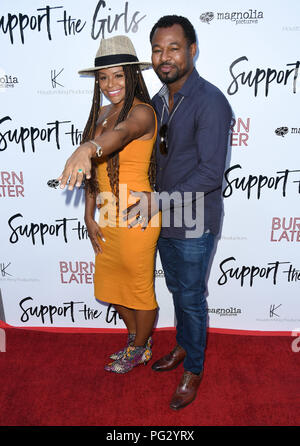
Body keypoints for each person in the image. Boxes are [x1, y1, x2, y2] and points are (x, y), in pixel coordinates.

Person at [126, 15, 232, 410]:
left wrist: (157, 200)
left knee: (190, 297)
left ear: (192, 50)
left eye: (173, 47)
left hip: (194, 221)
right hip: (164, 220)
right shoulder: (157, 101)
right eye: (157, 49)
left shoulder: (211, 101)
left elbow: (209, 173)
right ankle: (184, 348)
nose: (164, 57)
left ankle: (195, 368)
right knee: (178, 292)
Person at [58, 35, 161, 374]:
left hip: (136, 215)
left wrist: (87, 147)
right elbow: (95, 172)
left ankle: (141, 348)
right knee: (112, 286)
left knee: (138, 287)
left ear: (133, 75)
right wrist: (89, 215)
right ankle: (135, 339)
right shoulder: (102, 113)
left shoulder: (142, 112)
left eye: (118, 75)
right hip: (105, 215)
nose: (110, 83)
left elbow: (118, 137)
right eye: (103, 77)